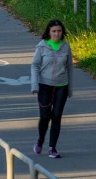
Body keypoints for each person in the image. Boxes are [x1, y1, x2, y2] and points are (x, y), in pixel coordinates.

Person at [31, 19, 74, 158]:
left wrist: (70, 88)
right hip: (44, 86)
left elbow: (70, 68)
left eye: (59, 31)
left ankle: (52, 148)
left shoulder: (66, 47)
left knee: (56, 116)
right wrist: (34, 84)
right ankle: (40, 140)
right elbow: (35, 65)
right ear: (48, 32)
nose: (57, 34)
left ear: (62, 32)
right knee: (45, 117)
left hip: (61, 86)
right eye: (54, 31)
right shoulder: (42, 46)